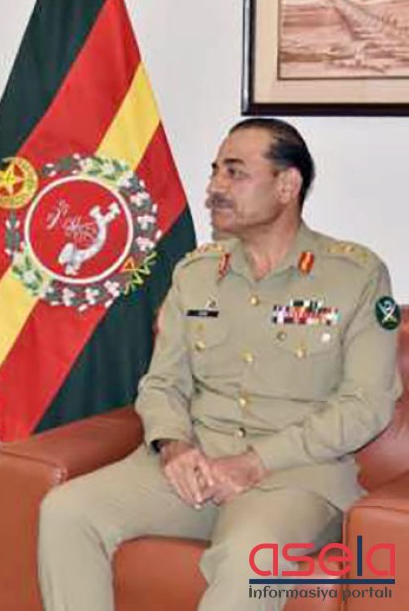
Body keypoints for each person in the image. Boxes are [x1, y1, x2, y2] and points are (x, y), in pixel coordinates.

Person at [37, 118, 402, 610]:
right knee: (67, 511)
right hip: (194, 465)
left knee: (249, 556)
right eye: (215, 171)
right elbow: (161, 384)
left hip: (295, 476)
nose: (214, 188)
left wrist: (256, 462)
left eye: (235, 173)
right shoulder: (196, 272)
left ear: (287, 186)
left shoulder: (354, 275)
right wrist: (174, 446)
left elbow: (366, 406)